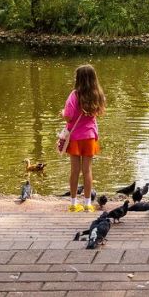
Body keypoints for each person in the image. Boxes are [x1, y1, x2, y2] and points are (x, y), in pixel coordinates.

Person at [62, 64, 105, 212]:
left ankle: (73, 204)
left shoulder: (74, 95)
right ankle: (87, 204)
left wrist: (62, 114)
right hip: (90, 137)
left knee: (75, 171)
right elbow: (98, 112)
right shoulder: (97, 94)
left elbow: (68, 117)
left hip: (75, 137)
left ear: (78, 79)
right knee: (87, 171)